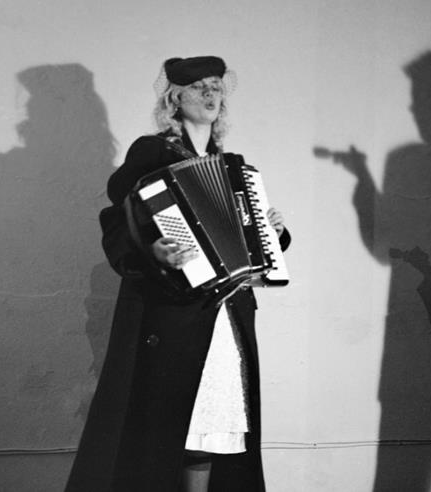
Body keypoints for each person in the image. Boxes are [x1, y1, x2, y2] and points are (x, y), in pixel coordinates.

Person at [65, 56, 290, 492]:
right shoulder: (152, 151)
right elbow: (119, 218)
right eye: (199, 87)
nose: (210, 94)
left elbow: (246, 245)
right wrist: (152, 251)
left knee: (212, 434)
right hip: (174, 315)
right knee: (169, 435)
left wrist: (272, 233)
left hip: (224, 316)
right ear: (175, 98)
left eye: (216, 87)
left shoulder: (229, 165)